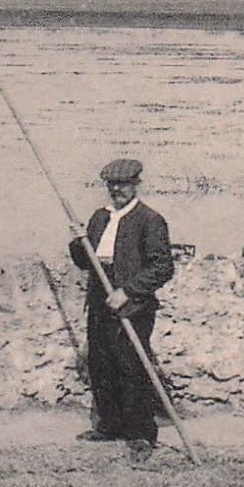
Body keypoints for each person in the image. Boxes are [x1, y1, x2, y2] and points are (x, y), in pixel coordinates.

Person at [68, 158, 175, 462]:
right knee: (101, 364)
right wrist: (78, 240)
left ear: (136, 184)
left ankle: (141, 434)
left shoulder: (150, 220)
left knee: (131, 366)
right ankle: (109, 426)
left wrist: (127, 292)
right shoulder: (99, 218)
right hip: (100, 299)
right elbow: (84, 261)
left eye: (123, 184)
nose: (117, 190)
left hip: (133, 306)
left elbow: (163, 267)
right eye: (112, 185)